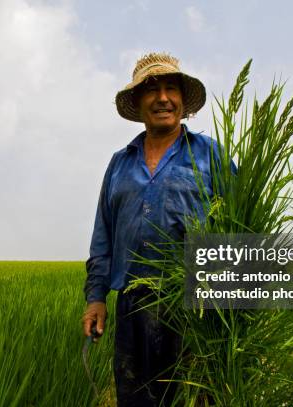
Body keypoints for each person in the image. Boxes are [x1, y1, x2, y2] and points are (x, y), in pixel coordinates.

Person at [82, 52, 222, 407]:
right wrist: (96, 297)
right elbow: (104, 233)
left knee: (193, 398)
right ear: (138, 103)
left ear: (182, 101)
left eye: (170, 88)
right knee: (136, 397)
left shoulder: (210, 156)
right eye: (151, 90)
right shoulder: (120, 163)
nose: (162, 97)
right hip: (132, 304)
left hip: (194, 307)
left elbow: (243, 225)